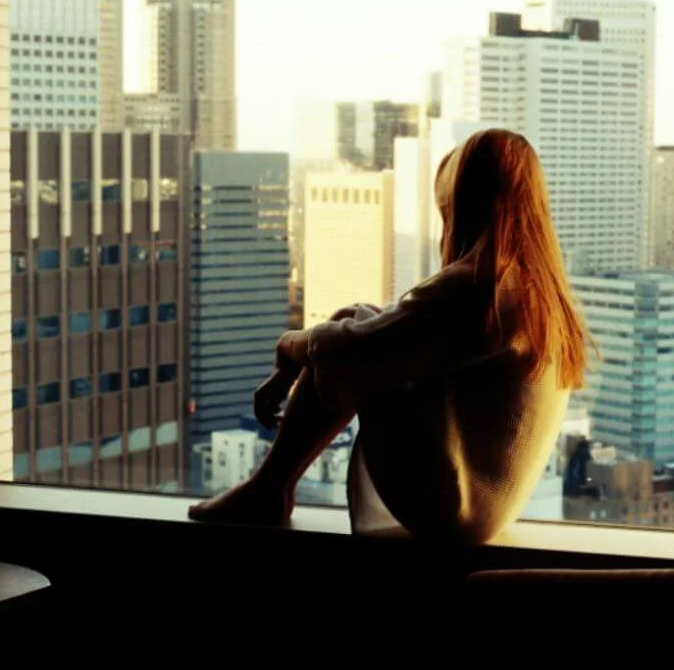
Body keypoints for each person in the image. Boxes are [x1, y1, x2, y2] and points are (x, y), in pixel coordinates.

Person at [188, 129, 591, 544]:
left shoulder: (481, 290)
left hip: (452, 508)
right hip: (487, 508)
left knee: (351, 344)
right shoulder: (539, 290)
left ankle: (269, 488)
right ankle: (269, 488)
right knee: (357, 326)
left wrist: (288, 348)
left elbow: (351, 348)